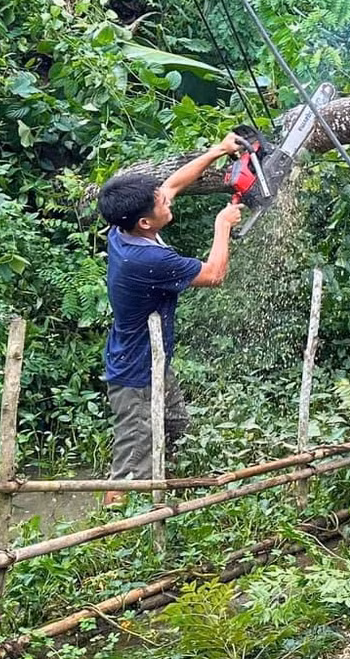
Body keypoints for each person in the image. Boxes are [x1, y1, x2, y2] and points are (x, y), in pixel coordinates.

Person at [95, 133, 248, 487]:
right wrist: (222, 225)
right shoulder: (146, 259)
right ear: (145, 222)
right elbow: (213, 275)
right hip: (135, 374)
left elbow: (172, 185)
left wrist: (218, 151)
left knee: (176, 425)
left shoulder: (124, 229)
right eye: (160, 204)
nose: (167, 200)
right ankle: (119, 518)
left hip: (155, 361)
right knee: (133, 458)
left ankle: (163, 486)